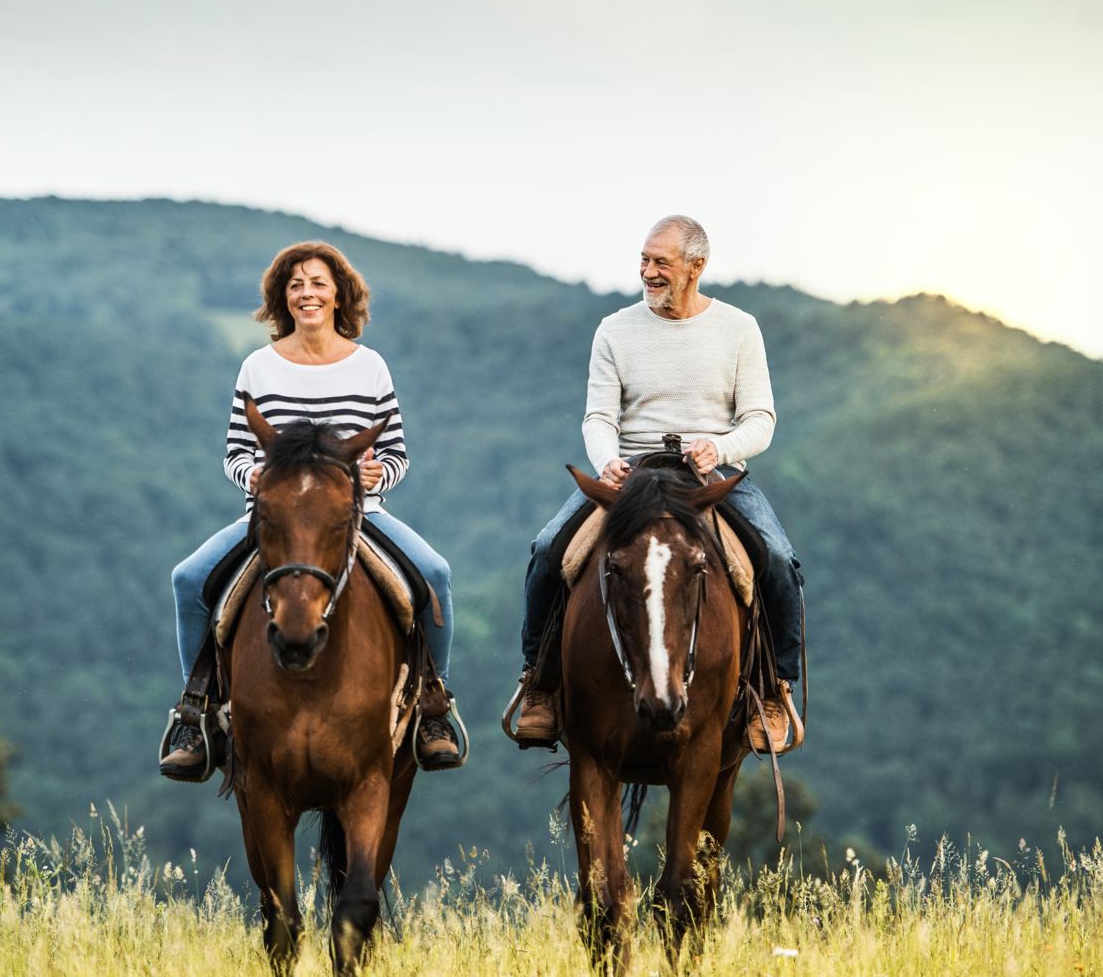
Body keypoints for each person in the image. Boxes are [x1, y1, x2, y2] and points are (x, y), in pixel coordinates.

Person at [162, 241, 460, 777]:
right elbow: (235, 452)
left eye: (318, 283)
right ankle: (197, 710)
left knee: (434, 574)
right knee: (189, 579)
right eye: (296, 285)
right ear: (283, 298)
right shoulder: (258, 367)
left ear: (339, 293)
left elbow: (396, 454)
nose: (307, 294)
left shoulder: (370, 367)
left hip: (358, 515)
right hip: (274, 516)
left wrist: (375, 475)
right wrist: (251, 475)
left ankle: (433, 705)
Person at [514, 215, 805, 750]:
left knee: (778, 558)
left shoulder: (739, 329)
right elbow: (599, 417)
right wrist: (605, 460)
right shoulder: (615, 330)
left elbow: (760, 419)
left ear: (696, 267)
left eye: (660, 263)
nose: (647, 272)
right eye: (644, 261)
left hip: (710, 473)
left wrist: (720, 447)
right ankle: (539, 684)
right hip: (633, 474)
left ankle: (774, 689)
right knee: (549, 548)